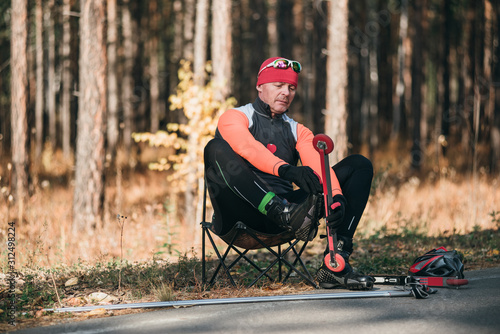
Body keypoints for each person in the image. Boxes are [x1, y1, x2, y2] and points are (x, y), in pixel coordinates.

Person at [204, 57, 374, 290]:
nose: (286, 92)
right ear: (260, 86)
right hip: (240, 216)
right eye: (278, 86)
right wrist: (287, 170)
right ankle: (280, 210)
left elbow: (318, 165)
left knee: (359, 165)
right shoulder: (235, 117)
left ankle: (335, 264)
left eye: (291, 88)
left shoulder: (298, 130)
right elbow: (247, 147)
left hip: (292, 219)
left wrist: (336, 198)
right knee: (214, 148)